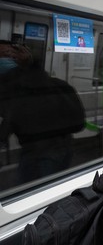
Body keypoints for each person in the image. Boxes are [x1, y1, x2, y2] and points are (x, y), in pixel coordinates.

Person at [0, 40, 85, 185]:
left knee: (32, 192)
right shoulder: (57, 85)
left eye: (12, 56)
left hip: (39, 154)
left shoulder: (18, 89)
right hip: (62, 147)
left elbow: (11, 117)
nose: (7, 60)